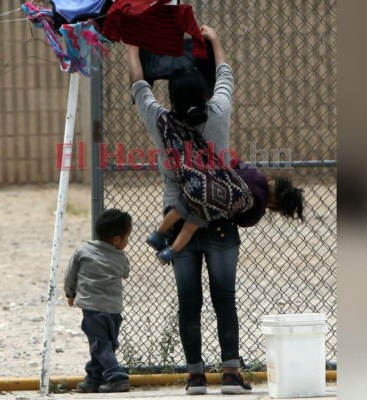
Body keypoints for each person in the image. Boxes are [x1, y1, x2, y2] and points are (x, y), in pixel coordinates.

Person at [128, 25, 304, 395]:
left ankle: (195, 376)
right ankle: (230, 373)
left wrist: (133, 47)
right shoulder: (219, 114)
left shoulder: (159, 122)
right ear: (205, 96)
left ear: (172, 100)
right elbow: (225, 75)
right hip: (221, 218)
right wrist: (215, 41)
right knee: (224, 299)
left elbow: (139, 87)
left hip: (177, 217)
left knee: (187, 301)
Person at [64, 208, 133, 393]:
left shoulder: (83, 251)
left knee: (99, 345)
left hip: (92, 309)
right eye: (127, 237)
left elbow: (71, 274)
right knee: (105, 345)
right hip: (114, 310)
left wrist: (70, 293)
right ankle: (93, 380)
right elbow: (125, 273)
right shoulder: (121, 257)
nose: (128, 241)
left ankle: (117, 377)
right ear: (117, 239)